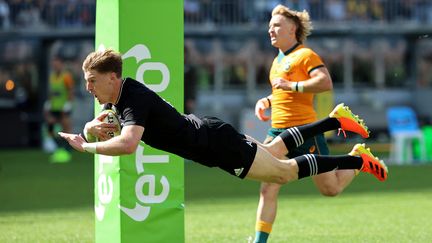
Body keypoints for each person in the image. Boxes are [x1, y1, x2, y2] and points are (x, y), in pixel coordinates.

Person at [58, 49, 387, 189]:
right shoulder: (121, 96)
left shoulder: (132, 98)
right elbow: (106, 120)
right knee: (273, 151)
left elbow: (128, 144)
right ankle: (335, 121)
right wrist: (89, 127)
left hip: (216, 145)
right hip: (212, 138)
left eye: (92, 81)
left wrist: (85, 147)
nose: (88, 88)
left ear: (112, 77)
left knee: (283, 174)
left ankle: (356, 161)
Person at [253, 5, 368, 242]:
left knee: (330, 189)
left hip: (305, 133)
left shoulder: (305, 55)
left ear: (292, 29)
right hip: (278, 131)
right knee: (268, 187)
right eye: (269, 27)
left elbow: (324, 82)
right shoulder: (278, 60)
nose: (271, 31)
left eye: (276, 26)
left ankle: (359, 159)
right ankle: (259, 241)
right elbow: (282, 92)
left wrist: (293, 86)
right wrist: (266, 100)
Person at [43, 56, 75, 163]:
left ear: (61, 64)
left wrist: (68, 104)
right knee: (50, 128)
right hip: (54, 107)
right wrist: (48, 103)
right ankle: (60, 148)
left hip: (64, 108)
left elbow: (70, 91)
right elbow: (52, 91)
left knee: (65, 129)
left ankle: (67, 150)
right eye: (53, 64)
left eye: (57, 64)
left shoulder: (66, 76)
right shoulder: (52, 76)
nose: (55, 66)